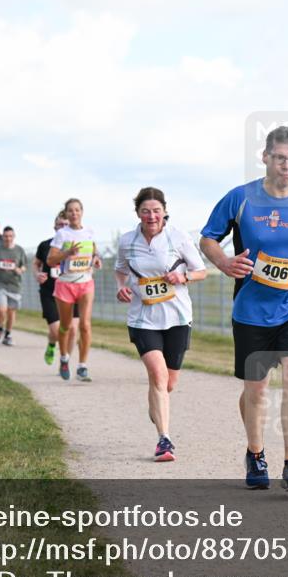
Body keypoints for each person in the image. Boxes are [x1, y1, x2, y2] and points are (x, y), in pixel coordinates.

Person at [200, 125, 288, 491]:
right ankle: (256, 454)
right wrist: (224, 263)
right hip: (251, 309)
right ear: (265, 157)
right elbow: (208, 238)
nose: (286, 166)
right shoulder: (240, 198)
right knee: (256, 389)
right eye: (279, 158)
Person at [116, 187, 208, 461]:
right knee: (158, 376)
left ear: (164, 211)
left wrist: (184, 278)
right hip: (143, 319)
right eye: (145, 211)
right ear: (138, 214)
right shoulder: (127, 241)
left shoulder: (178, 237)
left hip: (177, 317)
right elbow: (120, 270)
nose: (151, 216)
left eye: (156, 210)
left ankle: (157, 408)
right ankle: (164, 440)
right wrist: (122, 288)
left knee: (168, 383)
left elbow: (201, 271)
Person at [46, 198, 101, 382]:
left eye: (77, 210)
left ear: (82, 212)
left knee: (85, 325)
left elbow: (94, 251)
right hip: (65, 284)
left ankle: (82, 366)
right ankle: (63, 358)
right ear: (66, 214)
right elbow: (50, 260)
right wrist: (67, 253)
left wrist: (96, 259)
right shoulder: (62, 234)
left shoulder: (89, 232)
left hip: (85, 282)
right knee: (66, 326)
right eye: (70, 211)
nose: (74, 213)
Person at [34, 213, 79, 366]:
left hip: (73, 291)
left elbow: (89, 260)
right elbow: (36, 264)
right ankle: (52, 345)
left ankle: (64, 362)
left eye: (65, 225)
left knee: (72, 329)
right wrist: (38, 274)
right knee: (56, 331)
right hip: (50, 293)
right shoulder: (45, 245)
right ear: (55, 227)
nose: (63, 228)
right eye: (60, 225)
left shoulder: (77, 244)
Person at [0, 226, 27, 346]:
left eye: (10, 236)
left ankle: (7, 334)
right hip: (0, 284)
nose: (8, 239)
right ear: (2, 236)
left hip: (14, 285)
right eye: (6, 236)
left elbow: (24, 265)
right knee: (2, 309)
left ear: (14, 237)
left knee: (11, 312)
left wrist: (20, 270)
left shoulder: (19, 250)